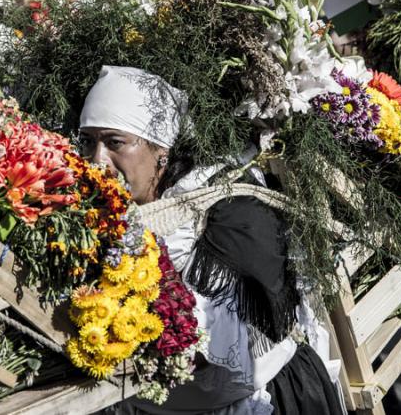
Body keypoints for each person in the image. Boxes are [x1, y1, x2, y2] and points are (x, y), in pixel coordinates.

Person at [80, 66, 344, 414]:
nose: (98, 161)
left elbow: (225, 359)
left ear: (162, 150)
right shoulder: (93, 209)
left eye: (115, 142)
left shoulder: (227, 212)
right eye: (88, 141)